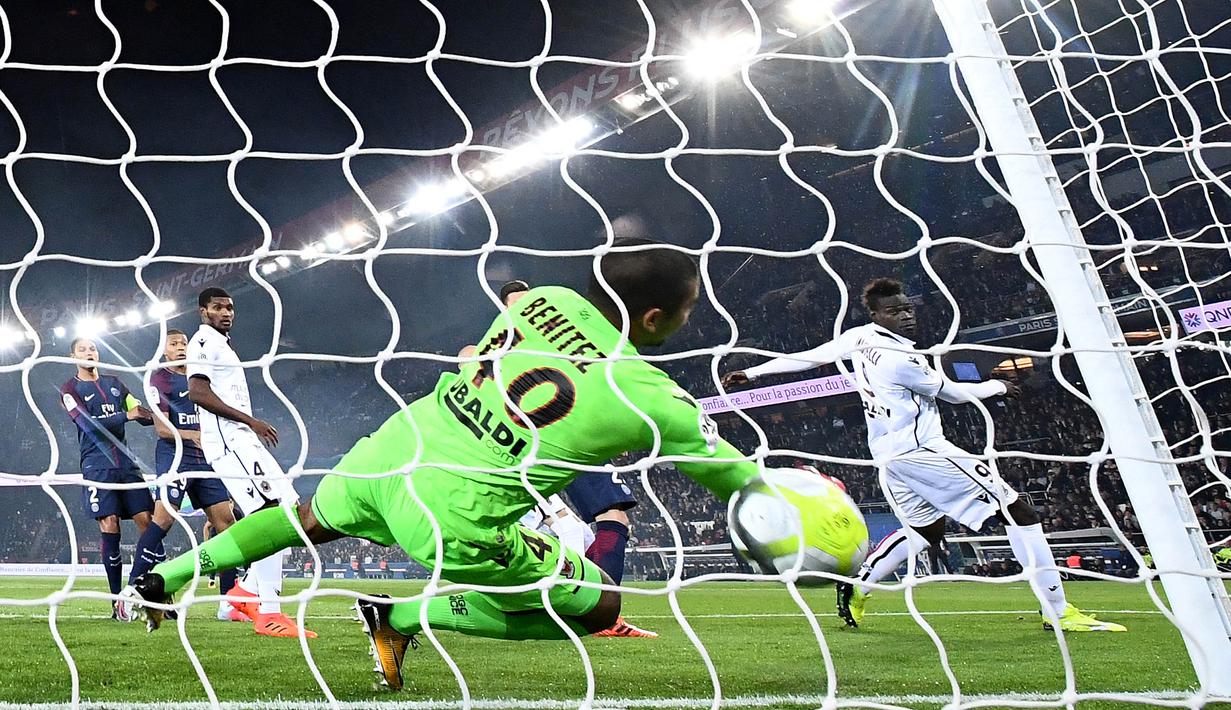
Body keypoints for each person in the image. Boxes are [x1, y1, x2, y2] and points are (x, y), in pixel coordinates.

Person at [122, 238, 759, 689]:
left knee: (302, 517)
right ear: (656, 317)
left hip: (396, 447)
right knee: (598, 610)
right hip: (453, 512)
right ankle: (399, 616)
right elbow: (743, 483)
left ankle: (168, 572)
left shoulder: (545, 300)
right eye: (688, 307)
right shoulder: (649, 394)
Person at [722, 277, 1125, 633]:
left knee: (926, 533)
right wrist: (999, 387)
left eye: (908, 308)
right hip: (923, 451)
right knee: (1019, 512)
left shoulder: (859, 337)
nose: (906, 316)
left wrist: (755, 373)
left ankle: (858, 587)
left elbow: (813, 355)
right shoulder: (902, 360)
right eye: (895, 311)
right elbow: (952, 392)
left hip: (888, 457)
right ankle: (1058, 611)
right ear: (877, 315)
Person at [476, 279, 656, 638]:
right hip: (551, 441)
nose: (526, 309)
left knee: (578, 528)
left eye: (530, 302)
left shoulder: (546, 339)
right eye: (517, 304)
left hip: (556, 441)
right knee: (608, 518)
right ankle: (599, 615)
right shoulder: (506, 347)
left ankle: (574, 606)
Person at [180, 287, 315, 638]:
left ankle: (240, 596)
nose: (226, 312)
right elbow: (197, 392)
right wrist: (249, 421)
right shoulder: (203, 343)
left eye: (230, 307)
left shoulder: (223, 345)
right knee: (272, 515)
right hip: (230, 441)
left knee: (288, 508)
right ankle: (269, 612)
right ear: (202, 311)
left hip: (243, 440)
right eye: (217, 307)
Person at [128, 329, 243, 622]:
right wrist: (193, 435)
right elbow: (162, 429)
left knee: (226, 523)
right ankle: (131, 589)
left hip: (206, 459)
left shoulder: (201, 378)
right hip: (175, 457)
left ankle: (228, 602)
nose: (181, 348)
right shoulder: (158, 379)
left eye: (184, 344)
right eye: (174, 344)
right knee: (163, 519)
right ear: (164, 351)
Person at [59, 337, 155, 618]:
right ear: (72, 357)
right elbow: (87, 425)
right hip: (97, 466)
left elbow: (139, 411)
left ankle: (148, 593)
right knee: (110, 525)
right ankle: (117, 602)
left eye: (92, 348)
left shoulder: (116, 384)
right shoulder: (69, 389)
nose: (89, 352)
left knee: (148, 524)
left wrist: (157, 414)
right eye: (82, 349)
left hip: (127, 465)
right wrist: (128, 415)